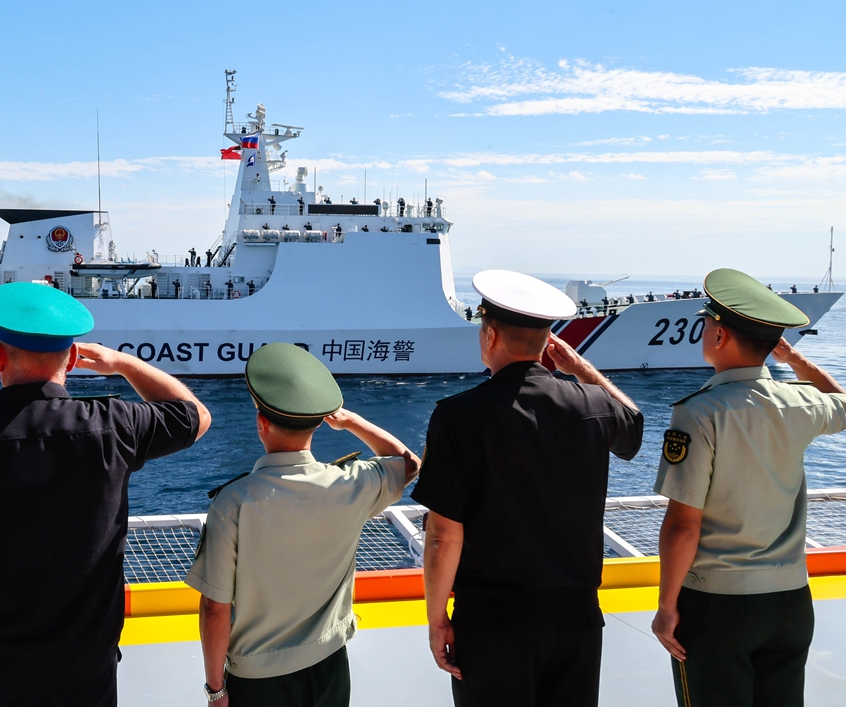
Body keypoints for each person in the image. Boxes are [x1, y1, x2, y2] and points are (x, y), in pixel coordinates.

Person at [0, 282, 210, 707]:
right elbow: (195, 417)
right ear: (72, 359)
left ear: (0, 356)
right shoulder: (113, 425)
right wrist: (123, 364)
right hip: (86, 675)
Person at [414, 270, 643, 707]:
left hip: (492, 623)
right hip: (576, 620)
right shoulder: (593, 405)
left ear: (490, 335)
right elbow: (632, 424)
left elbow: (444, 535)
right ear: (548, 344)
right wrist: (582, 369)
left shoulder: (458, 417)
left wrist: (436, 618)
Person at [650, 268, 846, 707]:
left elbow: (683, 524)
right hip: (791, 603)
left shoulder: (700, 412)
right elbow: (844, 407)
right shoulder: (801, 401)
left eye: (707, 325)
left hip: (718, 606)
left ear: (720, 337)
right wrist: (801, 365)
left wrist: (666, 608)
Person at [186, 343, 419, 707]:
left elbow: (215, 607)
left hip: (259, 680)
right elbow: (407, 464)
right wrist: (351, 421)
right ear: (319, 423)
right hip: (329, 665)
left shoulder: (235, 502)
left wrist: (216, 690)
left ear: (262, 423)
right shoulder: (351, 483)